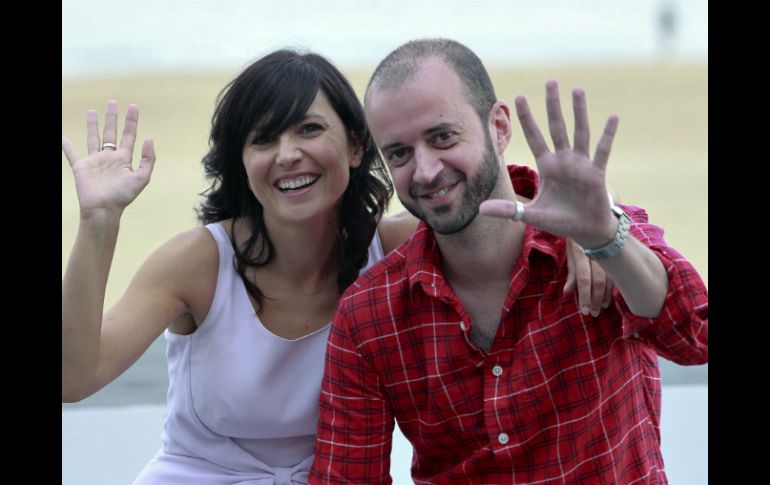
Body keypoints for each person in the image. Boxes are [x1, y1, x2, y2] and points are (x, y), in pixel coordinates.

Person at [61, 49, 606, 484]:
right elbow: (75, 377)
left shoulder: (393, 247)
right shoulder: (198, 262)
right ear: (241, 164)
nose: (288, 154)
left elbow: (501, 211)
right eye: (263, 140)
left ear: (354, 146)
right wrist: (99, 220)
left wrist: (583, 233)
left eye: (308, 130)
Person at [310, 38, 708, 484]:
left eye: (443, 137)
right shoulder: (369, 315)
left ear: (499, 127)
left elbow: (696, 336)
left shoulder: (598, 236)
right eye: (399, 153)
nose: (425, 171)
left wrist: (606, 241)